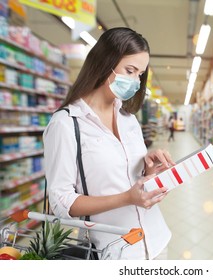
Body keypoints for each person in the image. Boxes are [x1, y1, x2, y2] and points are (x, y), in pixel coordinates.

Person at [43, 27, 174, 260]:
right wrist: (126, 198)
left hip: (157, 241)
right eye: (130, 70)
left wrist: (148, 171)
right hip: (115, 251)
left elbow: (130, 177)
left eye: (140, 74)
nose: (135, 81)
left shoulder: (129, 120)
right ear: (106, 62)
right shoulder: (66, 124)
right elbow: (62, 202)